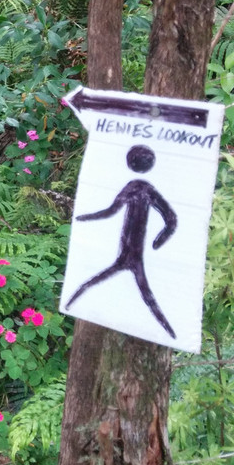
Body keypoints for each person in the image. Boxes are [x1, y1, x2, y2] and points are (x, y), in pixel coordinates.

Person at [66, 144, 177, 338]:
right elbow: (171, 219)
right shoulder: (145, 189)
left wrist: (159, 241)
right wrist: (158, 240)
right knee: (146, 296)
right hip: (130, 254)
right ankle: (169, 331)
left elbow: (110, 211)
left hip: (131, 254)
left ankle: (170, 332)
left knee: (93, 284)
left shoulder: (135, 187)